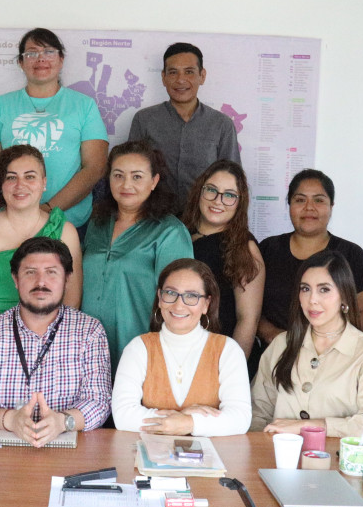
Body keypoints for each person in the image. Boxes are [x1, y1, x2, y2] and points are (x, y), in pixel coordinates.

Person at [0, 237, 111, 447]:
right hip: (0, 456)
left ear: (67, 279)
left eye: (51, 272)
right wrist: (11, 420)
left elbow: (99, 402)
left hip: (70, 453)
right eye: (30, 272)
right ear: (15, 279)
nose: (41, 282)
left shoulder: (89, 332)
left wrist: (62, 421)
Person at [0, 27, 108, 229]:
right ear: (21, 62)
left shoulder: (84, 105)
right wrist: (18, 208)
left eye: (49, 52)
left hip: (66, 221)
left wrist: (48, 209)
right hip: (10, 220)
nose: (41, 59)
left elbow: (94, 167)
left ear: (61, 60)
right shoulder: (0, 105)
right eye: (31, 53)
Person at [251, 250, 363, 442]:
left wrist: (307, 426)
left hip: (339, 462)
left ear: (344, 296)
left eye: (324, 289)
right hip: (279, 458)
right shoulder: (282, 344)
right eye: (305, 289)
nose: (312, 300)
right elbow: (257, 413)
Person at [82, 140, 193, 372]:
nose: (126, 184)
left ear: (154, 181)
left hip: (141, 353)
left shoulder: (169, 232)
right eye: (118, 175)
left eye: (137, 176)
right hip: (87, 352)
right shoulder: (97, 223)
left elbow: (178, 304)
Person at [111, 259, 251, 436]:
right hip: (149, 456)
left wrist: (188, 423)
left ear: (206, 304)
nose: (179, 305)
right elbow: (123, 416)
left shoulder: (228, 350)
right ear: (160, 298)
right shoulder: (138, 348)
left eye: (191, 296)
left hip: (212, 459)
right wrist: (181, 419)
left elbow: (240, 418)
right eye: (170, 293)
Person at [0, 144, 82, 327]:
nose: (20, 185)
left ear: (44, 183)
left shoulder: (65, 231)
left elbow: (72, 300)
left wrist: (44, 343)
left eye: (30, 177)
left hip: (52, 345)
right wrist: (5, 343)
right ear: (1, 184)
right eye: (11, 177)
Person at [258, 169, 363, 347]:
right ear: (289, 205)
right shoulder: (268, 249)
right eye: (300, 200)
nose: (309, 207)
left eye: (319, 200)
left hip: (332, 358)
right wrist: (275, 336)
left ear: (331, 206)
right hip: (275, 352)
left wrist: (320, 342)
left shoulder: (351, 253)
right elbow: (249, 307)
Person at [128, 42, 240, 210]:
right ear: (163, 77)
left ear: (202, 76)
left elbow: (233, 180)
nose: (180, 80)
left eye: (189, 72)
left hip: (206, 218)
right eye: (173, 72)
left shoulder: (222, 125)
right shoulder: (144, 120)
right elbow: (130, 172)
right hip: (155, 219)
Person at [182, 160, 265, 368]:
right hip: (180, 351)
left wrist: (229, 374)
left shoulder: (244, 247)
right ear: (200, 191)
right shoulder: (178, 232)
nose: (218, 201)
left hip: (219, 357)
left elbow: (248, 319)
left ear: (240, 202)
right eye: (211, 190)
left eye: (229, 195)